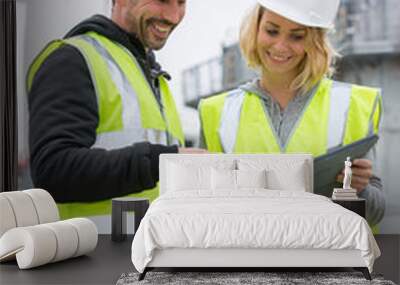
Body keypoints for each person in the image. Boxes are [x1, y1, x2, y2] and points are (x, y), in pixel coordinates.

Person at [199, 0, 385, 228]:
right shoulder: (215, 112)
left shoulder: (355, 104)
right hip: (247, 260)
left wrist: (360, 190)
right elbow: (201, 209)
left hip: (327, 260)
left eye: (297, 36)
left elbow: (375, 213)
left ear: (315, 39)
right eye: (271, 31)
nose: (280, 46)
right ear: (255, 28)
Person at [28, 0, 206, 220]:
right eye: (162, 0)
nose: (174, 16)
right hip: (98, 250)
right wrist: (164, 161)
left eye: (181, 2)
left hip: (152, 247)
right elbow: (53, 170)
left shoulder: (153, 77)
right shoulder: (72, 60)